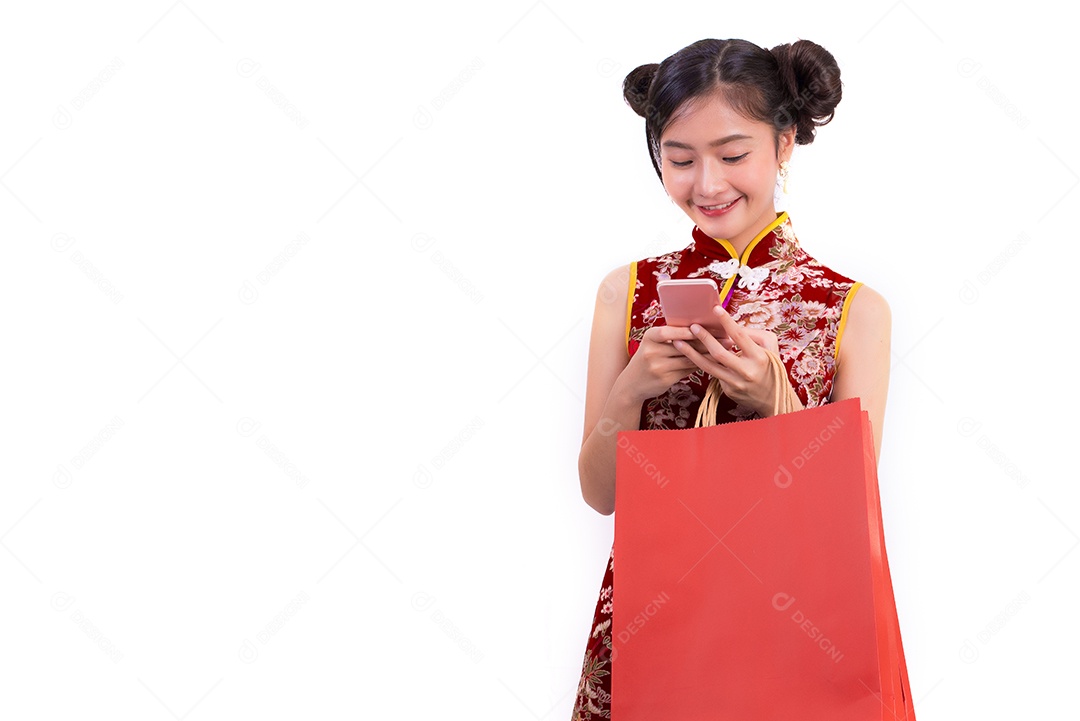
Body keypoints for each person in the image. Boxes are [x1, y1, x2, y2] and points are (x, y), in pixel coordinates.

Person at [570, 37, 891, 719]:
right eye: (680, 159)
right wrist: (632, 387)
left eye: (733, 154)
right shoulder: (625, 291)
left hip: (795, 629)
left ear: (784, 143)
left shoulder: (852, 308)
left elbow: (850, 516)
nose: (707, 184)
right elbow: (600, 493)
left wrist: (775, 398)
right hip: (649, 616)